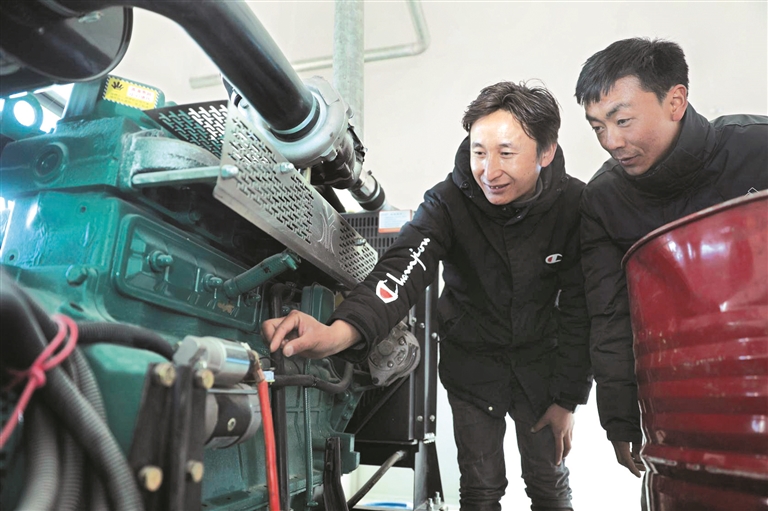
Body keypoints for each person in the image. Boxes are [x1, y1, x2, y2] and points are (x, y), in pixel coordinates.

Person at [263, 81, 593, 511]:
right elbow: (402, 269)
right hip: (473, 366)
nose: (489, 171)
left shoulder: (575, 204)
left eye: (507, 153)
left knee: (549, 485)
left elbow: (581, 309)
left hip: (544, 370)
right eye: (479, 151)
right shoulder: (448, 202)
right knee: (480, 489)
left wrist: (567, 398)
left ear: (545, 153)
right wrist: (337, 334)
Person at [575, 37, 768, 478]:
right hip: (685, 406)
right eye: (597, 127)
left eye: (622, 120)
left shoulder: (758, 148)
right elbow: (610, 316)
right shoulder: (604, 200)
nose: (611, 141)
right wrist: (621, 417)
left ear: (675, 101)